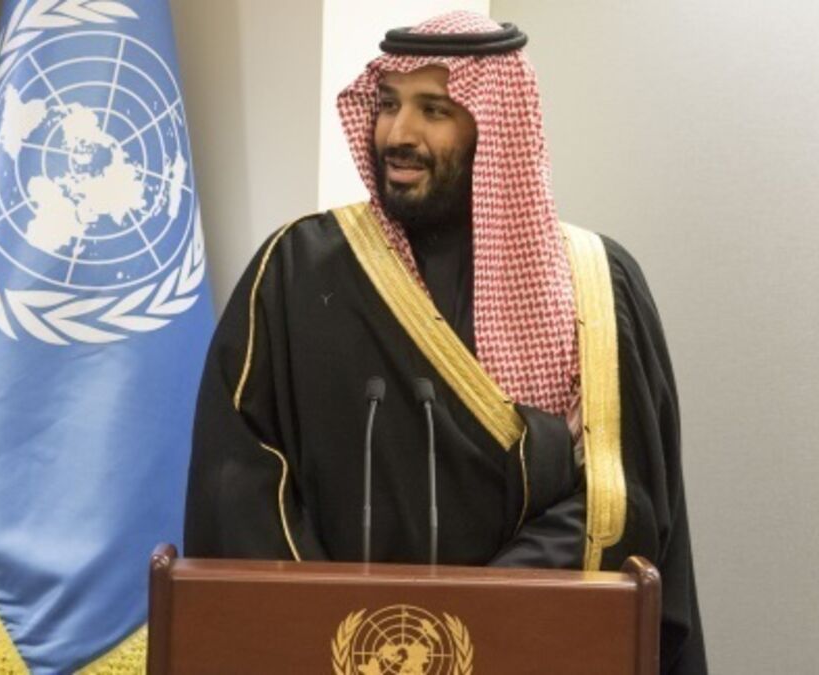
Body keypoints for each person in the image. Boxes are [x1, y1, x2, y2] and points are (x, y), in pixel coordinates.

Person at [184, 11, 706, 673]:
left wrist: (467, 622)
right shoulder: (294, 272)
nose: (398, 134)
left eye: (434, 110)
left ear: (494, 127)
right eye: (388, 104)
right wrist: (345, 635)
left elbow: (620, 500)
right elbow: (239, 483)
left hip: (528, 650)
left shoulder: (598, 287)